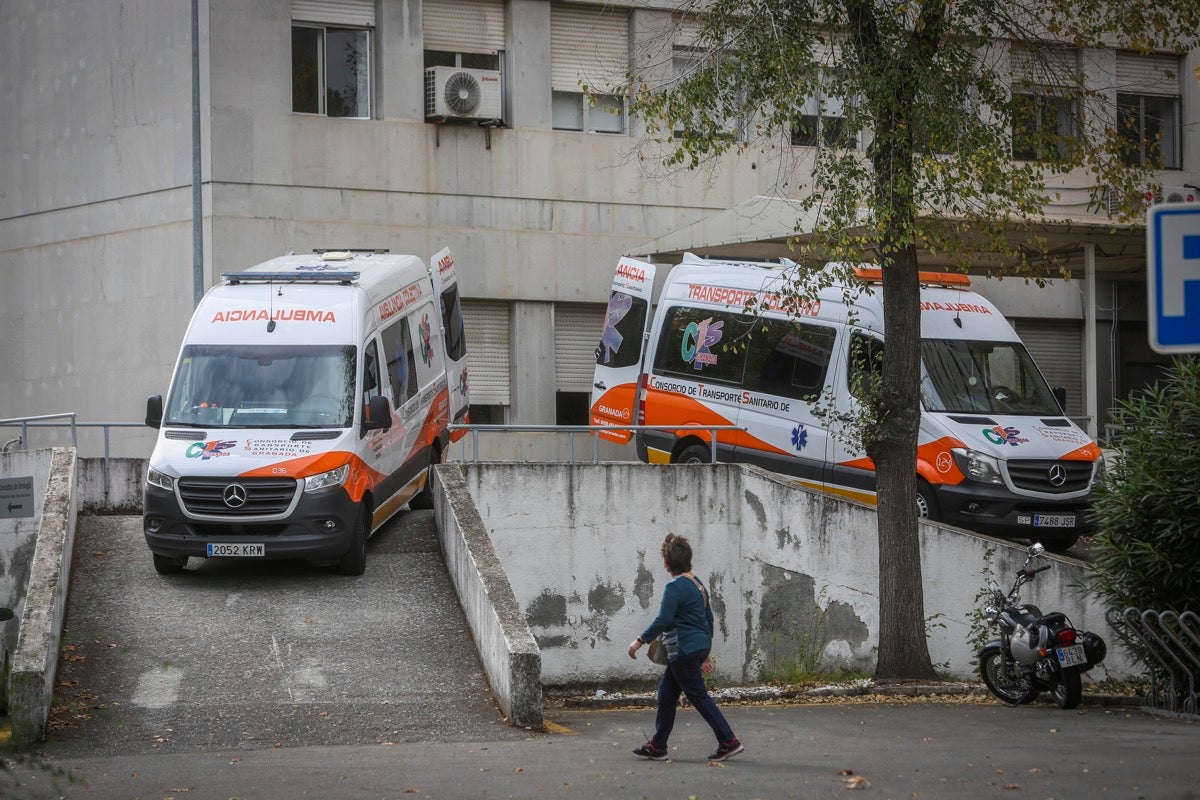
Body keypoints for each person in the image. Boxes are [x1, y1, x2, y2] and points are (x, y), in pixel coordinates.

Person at [626, 533, 744, 762]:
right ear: (687, 559)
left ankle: (729, 741)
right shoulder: (699, 585)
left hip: (683, 650)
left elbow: (663, 620)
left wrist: (639, 641)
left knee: (699, 696)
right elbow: (708, 621)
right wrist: (705, 653)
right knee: (666, 695)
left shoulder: (674, 588)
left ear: (666, 563)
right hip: (695, 648)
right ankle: (658, 746)